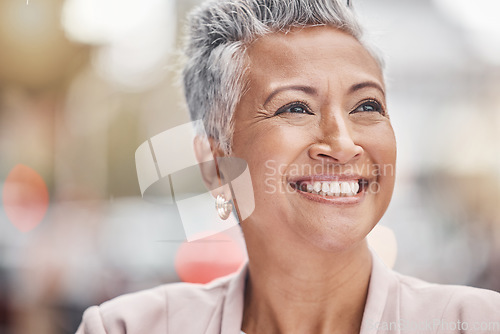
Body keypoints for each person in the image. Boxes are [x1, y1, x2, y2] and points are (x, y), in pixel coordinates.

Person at [76, 0, 500, 333]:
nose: (344, 143)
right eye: (295, 107)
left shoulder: (477, 324)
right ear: (216, 166)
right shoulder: (127, 328)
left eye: (367, 105)